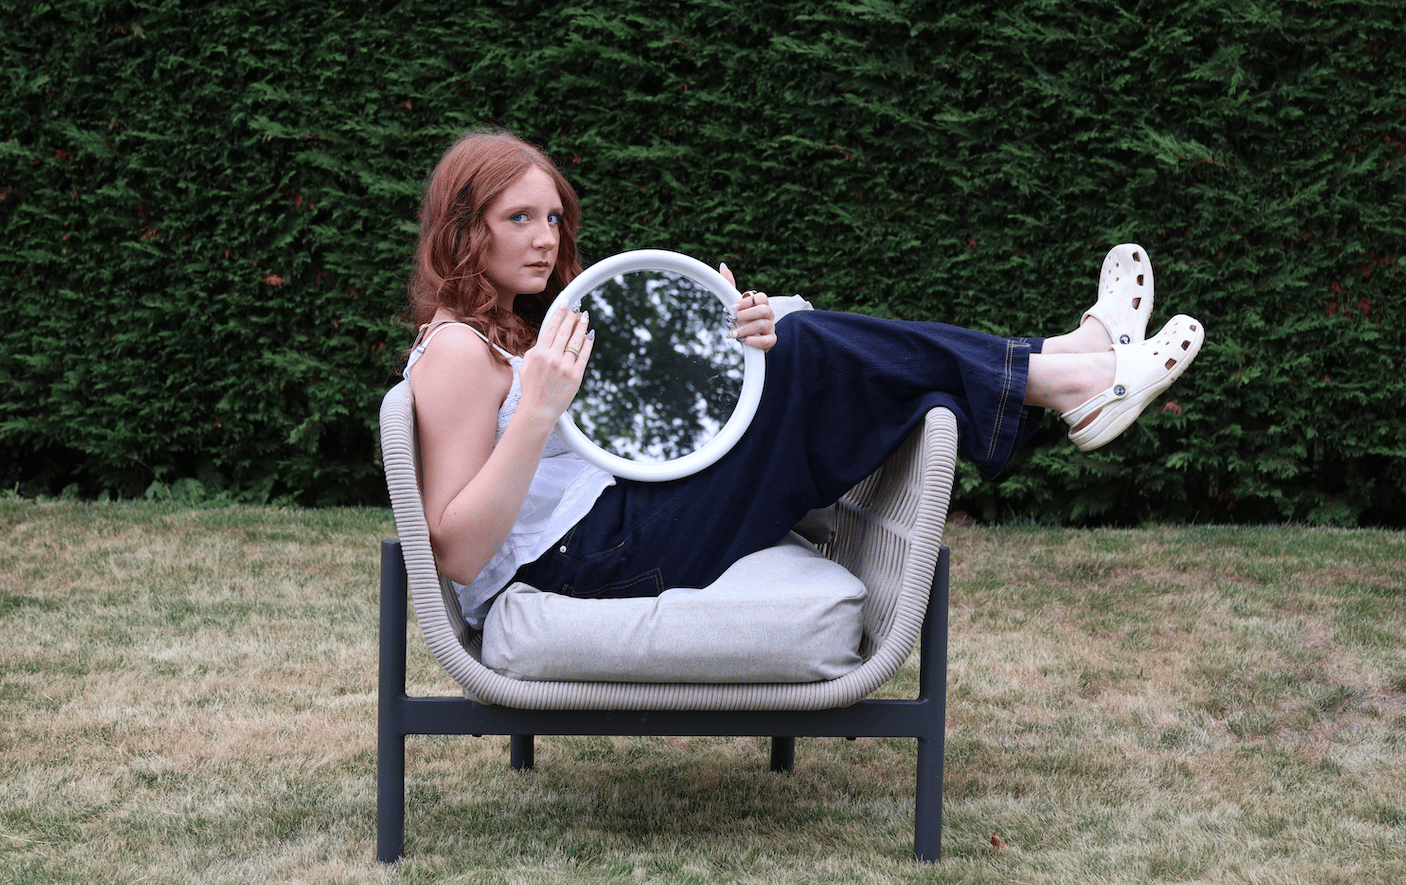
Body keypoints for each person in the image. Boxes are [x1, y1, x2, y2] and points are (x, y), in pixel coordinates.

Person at [402, 128, 1204, 625]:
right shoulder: (457, 353)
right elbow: (458, 551)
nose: (546, 238)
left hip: (619, 522)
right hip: (588, 560)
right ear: (465, 228)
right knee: (807, 347)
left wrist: (726, 329)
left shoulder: (516, 330)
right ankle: (1062, 374)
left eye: (553, 217)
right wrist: (537, 413)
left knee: (789, 340)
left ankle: (1061, 363)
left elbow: (643, 413)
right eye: (519, 218)